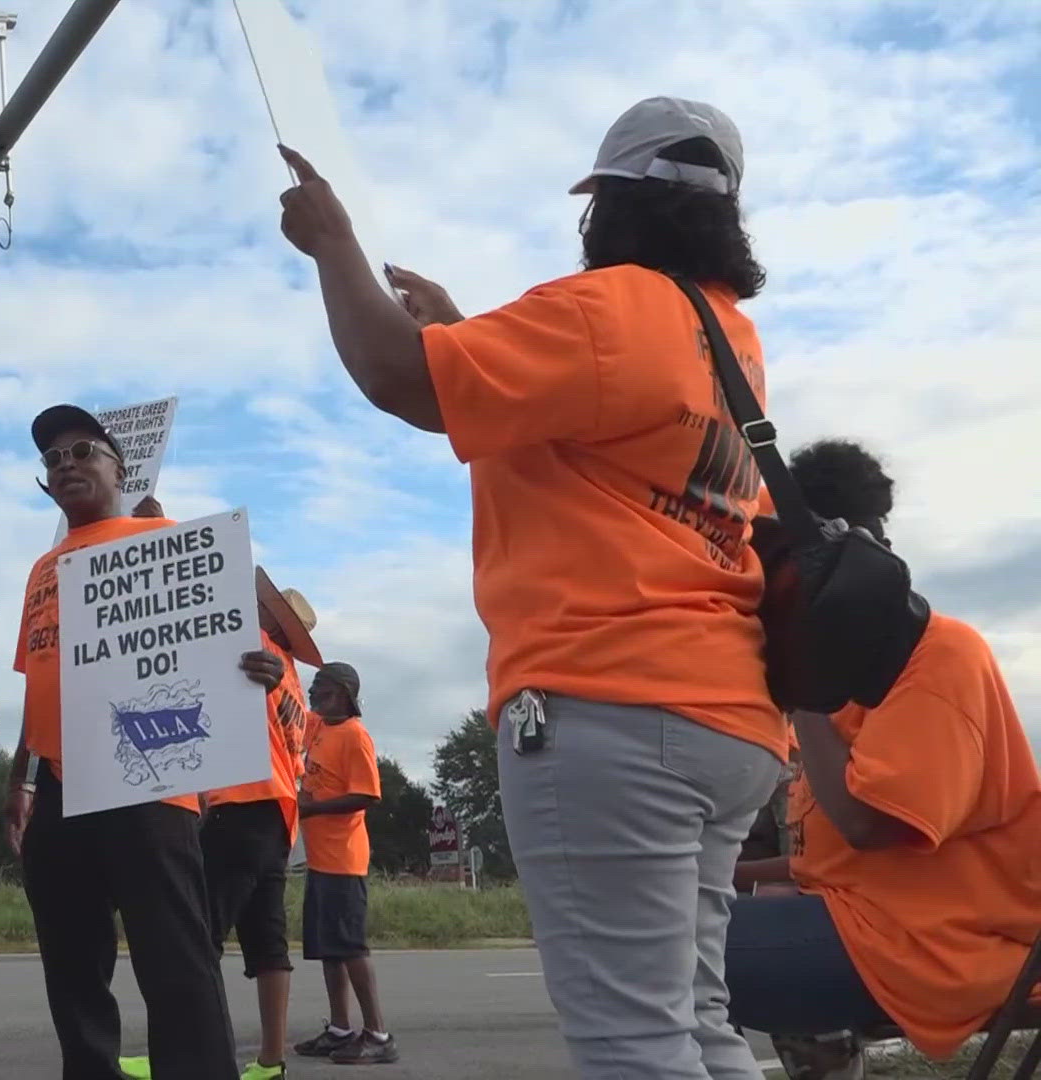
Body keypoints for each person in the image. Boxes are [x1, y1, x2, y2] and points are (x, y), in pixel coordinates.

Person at [278, 96, 786, 1078]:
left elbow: (397, 375)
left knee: (634, 1043)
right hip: (730, 719)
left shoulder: (610, 308)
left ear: (611, 203)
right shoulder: (727, 339)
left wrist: (332, 243)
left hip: (615, 707)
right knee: (699, 1023)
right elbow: (591, 446)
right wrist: (467, 333)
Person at [725, 440, 1041, 1078]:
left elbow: (870, 827)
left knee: (648, 952)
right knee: (655, 923)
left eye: (773, 561)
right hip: (869, 922)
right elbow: (842, 857)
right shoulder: (857, 679)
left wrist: (802, 669)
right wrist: (725, 874)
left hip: (935, 945)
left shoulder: (938, 655)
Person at [6, 403, 287, 1080]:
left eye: (82, 452)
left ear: (118, 469)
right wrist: (21, 778)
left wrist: (260, 672)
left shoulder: (162, 541)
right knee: (73, 967)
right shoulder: (42, 568)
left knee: (176, 960)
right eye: (53, 459)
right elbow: (39, 678)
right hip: (59, 790)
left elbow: (219, 649)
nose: (66, 464)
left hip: (149, 785)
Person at [120, 564, 323, 1080]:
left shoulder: (251, 642)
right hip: (279, 814)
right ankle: (271, 1061)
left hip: (241, 802)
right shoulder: (294, 677)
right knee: (267, 941)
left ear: (267, 616)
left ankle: (183, 1054)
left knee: (195, 933)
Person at [290, 662, 395, 1066]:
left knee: (350, 947)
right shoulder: (319, 727)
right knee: (328, 949)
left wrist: (314, 810)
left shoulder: (355, 735)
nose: (316, 696)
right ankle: (339, 1029)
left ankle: (379, 1034)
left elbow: (367, 796)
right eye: (314, 689)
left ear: (347, 696)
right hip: (320, 860)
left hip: (344, 860)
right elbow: (292, 705)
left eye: (325, 691)